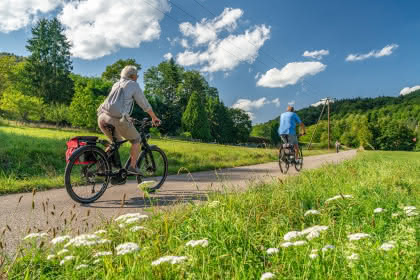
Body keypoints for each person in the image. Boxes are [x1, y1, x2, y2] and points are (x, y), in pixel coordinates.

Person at [97, 65, 161, 174]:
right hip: (116, 120)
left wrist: (127, 116)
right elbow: (143, 103)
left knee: (116, 143)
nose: (137, 78)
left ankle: (101, 165)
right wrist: (154, 117)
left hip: (102, 117)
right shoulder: (133, 85)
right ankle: (132, 166)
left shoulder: (116, 84)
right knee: (136, 140)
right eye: (137, 76)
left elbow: (115, 105)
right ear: (132, 76)